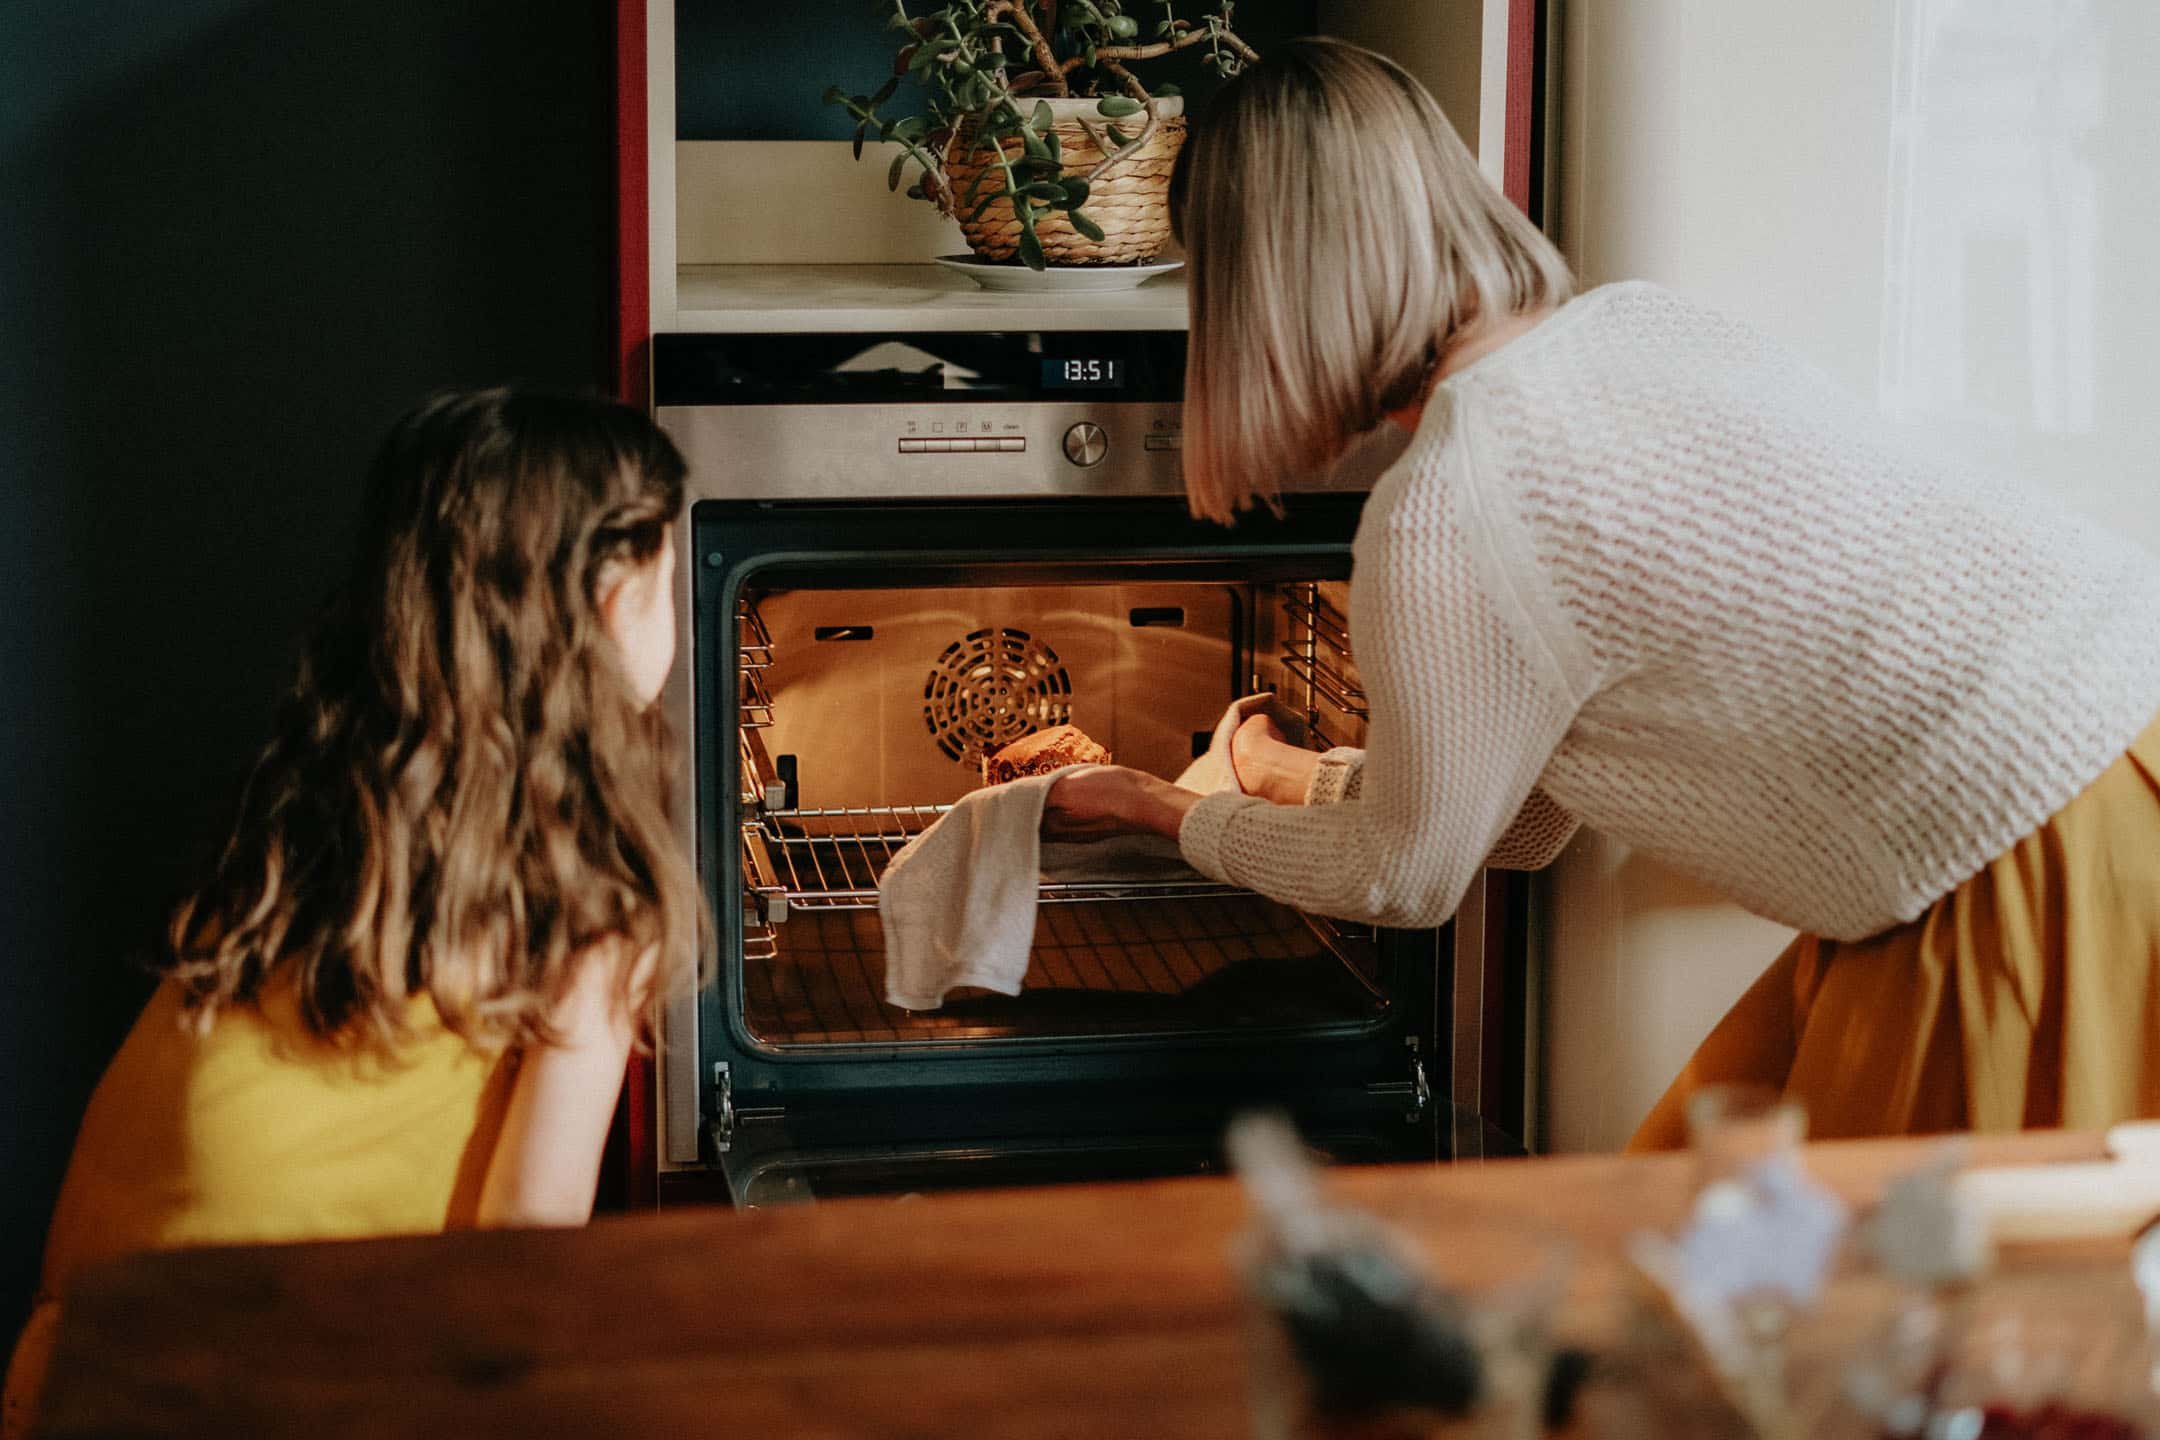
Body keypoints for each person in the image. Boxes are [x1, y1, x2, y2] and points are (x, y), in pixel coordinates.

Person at [1042, 38, 2160, 1149]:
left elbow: (1404, 878)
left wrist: (1161, 808)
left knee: (1892, 1296)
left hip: (2022, 858)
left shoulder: (1446, 506)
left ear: (1266, 290)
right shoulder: (1641, 327)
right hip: (2114, 752)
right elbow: (1522, 820)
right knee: (1733, 1237)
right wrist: (1284, 773)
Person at [2, 388, 701, 1437]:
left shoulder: (315, 794)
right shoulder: (593, 891)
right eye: (673, 576)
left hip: (82, 1367)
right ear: (612, 600)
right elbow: (529, 1242)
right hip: (303, 1386)